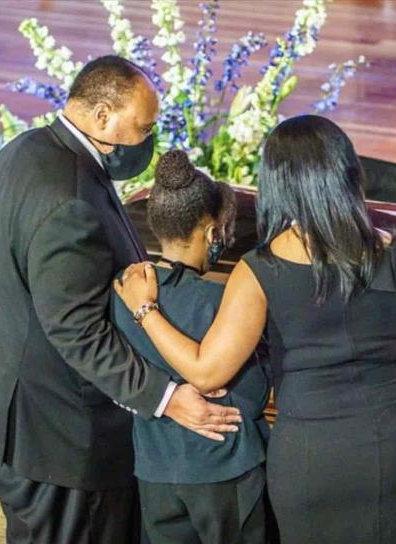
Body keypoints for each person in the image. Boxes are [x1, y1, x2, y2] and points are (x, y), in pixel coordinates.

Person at [116, 115, 396, 543]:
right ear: (347, 173)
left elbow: (207, 372)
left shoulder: (259, 271)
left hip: (310, 459)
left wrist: (145, 308)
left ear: (276, 184)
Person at [0, 56, 242, 544]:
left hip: (6, 397)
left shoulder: (27, 149)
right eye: (142, 128)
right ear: (102, 116)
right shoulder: (70, 201)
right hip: (54, 428)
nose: (147, 141)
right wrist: (166, 399)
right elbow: (77, 331)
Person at [112, 150, 271, 544]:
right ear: (212, 231)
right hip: (227, 468)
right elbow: (252, 396)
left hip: (155, 468)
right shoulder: (221, 303)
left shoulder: (123, 292)